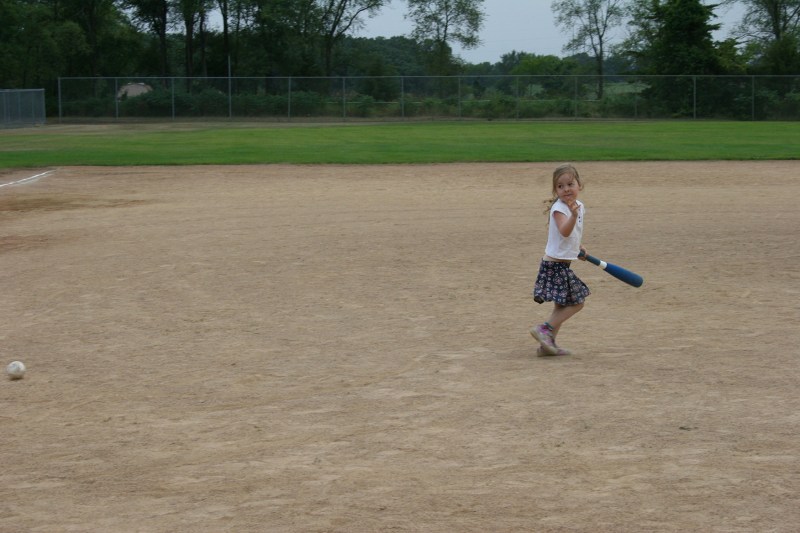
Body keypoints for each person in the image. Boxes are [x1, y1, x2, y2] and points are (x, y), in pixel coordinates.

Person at [530, 164, 590, 356]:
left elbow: (571, 235)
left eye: (570, 184)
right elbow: (564, 231)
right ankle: (544, 329)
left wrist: (577, 248)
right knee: (577, 302)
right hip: (554, 265)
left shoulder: (579, 207)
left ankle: (547, 346)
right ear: (555, 190)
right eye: (560, 186)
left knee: (561, 306)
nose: (566, 189)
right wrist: (573, 215)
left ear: (579, 185)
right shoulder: (559, 209)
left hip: (562, 262)